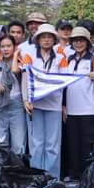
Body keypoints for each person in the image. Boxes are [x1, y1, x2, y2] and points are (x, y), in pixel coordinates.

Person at [20, 23, 68, 178]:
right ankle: (37, 178)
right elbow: (25, 78)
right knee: (36, 143)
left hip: (54, 104)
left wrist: (63, 105)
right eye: (43, 37)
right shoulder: (30, 56)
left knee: (52, 145)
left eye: (49, 37)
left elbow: (65, 81)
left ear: (54, 40)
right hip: (35, 104)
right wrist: (25, 100)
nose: (46, 40)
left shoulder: (60, 58)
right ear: (38, 39)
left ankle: (52, 179)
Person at [62, 26, 94, 179]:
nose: (78, 43)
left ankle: (89, 176)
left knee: (89, 144)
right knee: (73, 144)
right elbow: (63, 84)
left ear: (87, 42)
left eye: (81, 40)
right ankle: (74, 174)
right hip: (72, 109)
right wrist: (63, 105)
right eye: (75, 40)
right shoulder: (68, 60)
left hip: (90, 108)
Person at [0, 33, 26, 154]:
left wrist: (16, 55)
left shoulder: (20, 61)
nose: (5, 49)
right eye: (2, 46)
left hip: (16, 104)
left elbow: (15, 70)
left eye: (9, 46)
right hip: (0, 104)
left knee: (18, 144)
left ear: (14, 47)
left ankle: (17, 166)